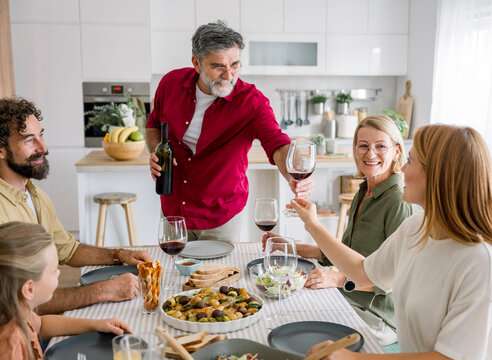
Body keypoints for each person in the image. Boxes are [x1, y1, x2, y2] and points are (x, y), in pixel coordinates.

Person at [294, 124, 492, 359]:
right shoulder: (415, 228)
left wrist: (353, 358)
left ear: (437, 175)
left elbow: (450, 357)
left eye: (410, 161)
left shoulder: (479, 260)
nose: (402, 170)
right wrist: (313, 226)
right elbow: (360, 272)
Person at [147, 20, 313, 242]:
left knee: (218, 276)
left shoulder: (252, 102)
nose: (228, 75)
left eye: (234, 64)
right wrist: (157, 150)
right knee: (172, 275)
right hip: (173, 211)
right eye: (218, 66)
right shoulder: (170, 84)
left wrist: (295, 172)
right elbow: (154, 124)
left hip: (220, 217)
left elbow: (277, 143)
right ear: (196, 63)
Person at [263, 115, 415, 347]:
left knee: (295, 323)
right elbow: (344, 254)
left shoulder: (398, 200)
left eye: (380, 146)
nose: (370, 154)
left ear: (396, 151)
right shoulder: (364, 191)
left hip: (378, 317)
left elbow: (395, 279)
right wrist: (289, 247)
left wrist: (338, 279)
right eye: (363, 145)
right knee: (282, 305)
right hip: (349, 298)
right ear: (354, 150)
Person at [0, 97, 152, 315]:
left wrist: (120, 255)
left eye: (41, 135)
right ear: (1, 150)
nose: (43, 147)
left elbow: (68, 250)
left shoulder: (35, 195)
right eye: (28, 140)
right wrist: (100, 291)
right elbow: (17, 303)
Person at [0, 222, 132, 360]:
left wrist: (96, 324)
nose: (58, 273)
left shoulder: (19, 311)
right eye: (54, 270)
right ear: (29, 289)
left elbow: (42, 325)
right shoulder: (10, 345)